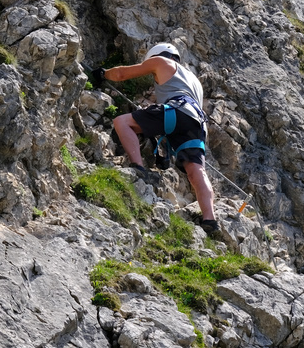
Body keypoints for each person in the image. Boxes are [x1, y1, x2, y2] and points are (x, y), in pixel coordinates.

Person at [93, 43, 218, 234]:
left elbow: (120, 75)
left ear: (156, 56)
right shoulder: (194, 80)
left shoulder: (161, 61)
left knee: (122, 122)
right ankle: (210, 219)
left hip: (177, 110)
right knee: (196, 171)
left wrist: (103, 74)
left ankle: (138, 167)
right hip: (197, 124)